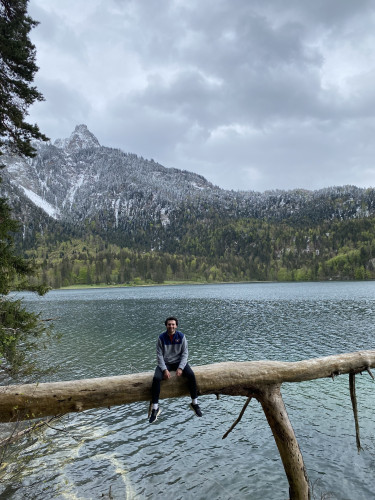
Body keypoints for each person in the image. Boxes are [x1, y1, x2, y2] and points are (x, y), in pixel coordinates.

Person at [149, 316, 202, 423]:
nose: (171, 326)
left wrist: (181, 368)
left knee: (191, 375)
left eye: (173, 324)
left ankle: (194, 403)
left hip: (179, 362)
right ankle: (155, 408)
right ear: (166, 325)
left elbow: (185, 354)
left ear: (176, 326)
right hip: (166, 363)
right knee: (156, 378)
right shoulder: (161, 338)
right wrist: (164, 370)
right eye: (169, 324)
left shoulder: (181, 337)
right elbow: (159, 356)